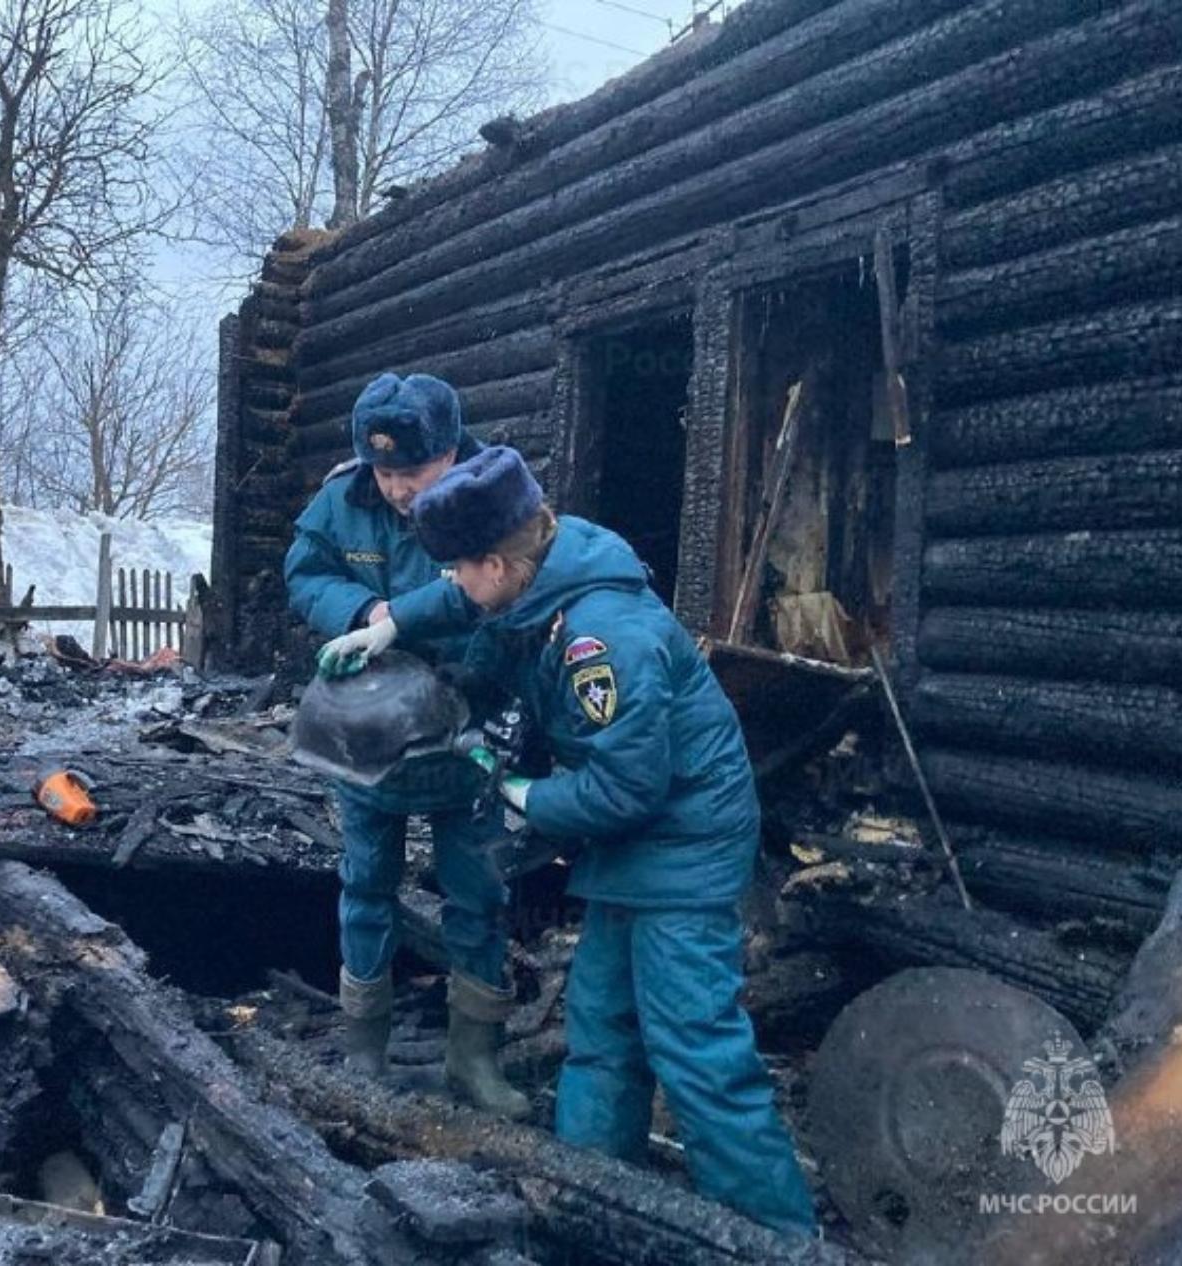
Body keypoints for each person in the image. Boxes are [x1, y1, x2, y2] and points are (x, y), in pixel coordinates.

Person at [406, 444, 818, 1238]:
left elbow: (629, 788)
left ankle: (781, 1240)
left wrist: (523, 792)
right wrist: (385, 634)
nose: (454, 584)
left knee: (697, 1055)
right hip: (628, 847)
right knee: (599, 1034)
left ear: (496, 560)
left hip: (682, 844)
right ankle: (590, 1210)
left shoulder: (603, 637)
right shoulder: (537, 581)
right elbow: (470, 632)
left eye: (458, 569)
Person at [282, 372, 529, 1119]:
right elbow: (305, 571)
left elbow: (513, 600)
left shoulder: (497, 496)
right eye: (384, 472)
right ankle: (364, 1048)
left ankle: (474, 1060)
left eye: (413, 472)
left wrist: (446, 659)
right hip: (366, 734)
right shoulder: (345, 497)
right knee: (365, 885)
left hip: (468, 728)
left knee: (478, 892)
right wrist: (362, 608)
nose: (395, 489)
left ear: (452, 451)